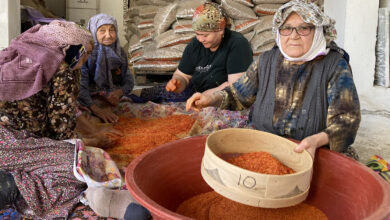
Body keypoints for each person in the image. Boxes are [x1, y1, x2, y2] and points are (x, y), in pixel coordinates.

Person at [186, 0, 361, 160]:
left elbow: (347, 120)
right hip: (263, 144)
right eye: (286, 28)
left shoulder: (334, 66)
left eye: (304, 28)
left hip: (310, 150)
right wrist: (210, 99)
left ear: (318, 31)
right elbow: (238, 94)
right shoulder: (267, 60)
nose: (293, 36)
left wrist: (316, 141)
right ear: (278, 32)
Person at [0, 20, 130, 219]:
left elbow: (67, 110)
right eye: (85, 53)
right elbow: (62, 130)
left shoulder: (27, 52)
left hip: (8, 137)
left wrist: (93, 130)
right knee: (77, 165)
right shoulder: (61, 70)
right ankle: (10, 185)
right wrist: (89, 143)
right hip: (10, 143)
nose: (86, 59)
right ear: (72, 50)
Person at [131, 1, 253, 103]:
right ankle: (131, 94)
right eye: (197, 34)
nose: (200, 39)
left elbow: (235, 87)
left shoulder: (237, 44)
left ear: (220, 29)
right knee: (156, 93)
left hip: (220, 94)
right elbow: (182, 75)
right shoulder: (195, 44)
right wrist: (178, 83)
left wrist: (208, 97)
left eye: (205, 35)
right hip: (196, 89)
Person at [78, 13, 134, 123]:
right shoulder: (85, 52)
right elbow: (80, 87)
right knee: (86, 121)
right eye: (102, 30)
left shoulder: (120, 52)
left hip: (113, 99)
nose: (108, 35)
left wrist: (118, 92)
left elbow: (129, 82)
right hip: (88, 101)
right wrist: (97, 110)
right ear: (93, 31)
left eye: (112, 30)